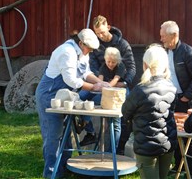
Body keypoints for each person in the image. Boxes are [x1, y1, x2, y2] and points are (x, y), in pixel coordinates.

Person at [35, 28, 107, 178]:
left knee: (67, 134)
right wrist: (94, 87)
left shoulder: (82, 53)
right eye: (90, 49)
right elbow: (71, 80)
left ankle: (65, 168)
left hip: (66, 96)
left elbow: (86, 73)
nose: (91, 52)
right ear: (81, 43)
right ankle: (51, 173)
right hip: (50, 94)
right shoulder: (66, 52)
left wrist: (101, 82)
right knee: (53, 135)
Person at [78, 15, 136, 152]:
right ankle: (89, 131)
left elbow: (132, 67)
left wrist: (125, 83)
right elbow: (92, 67)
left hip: (119, 84)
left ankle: (117, 149)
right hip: (101, 82)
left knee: (122, 115)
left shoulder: (123, 44)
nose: (101, 36)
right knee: (79, 97)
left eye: (103, 32)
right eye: (97, 33)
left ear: (108, 27)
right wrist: (101, 82)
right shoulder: (95, 45)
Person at [121, 44, 178, 179]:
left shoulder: (139, 90)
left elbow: (125, 112)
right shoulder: (172, 87)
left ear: (145, 64)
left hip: (145, 145)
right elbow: (170, 113)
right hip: (167, 142)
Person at [160, 20, 192, 178]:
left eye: (163, 36)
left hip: (186, 101)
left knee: (188, 136)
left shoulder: (188, 53)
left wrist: (186, 97)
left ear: (174, 35)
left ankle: (191, 171)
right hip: (172, 99)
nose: (161, 39)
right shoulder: (166, 52)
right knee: (175, 134)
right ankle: (178, 166)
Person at [78, 47, 127, 146]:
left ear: (117, 61)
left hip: (118, 92)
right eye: (108, 61)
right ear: (105, 60)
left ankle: (114, 149)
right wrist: (100, 85)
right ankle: (85, 123)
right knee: (81, 96)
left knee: (116, 122)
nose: (110, 64)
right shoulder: (104, 66)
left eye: (113, 62)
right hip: (105, 90)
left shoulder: (121, 66)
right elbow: (99, 80)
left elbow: (114, 81)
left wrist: (105, 85)